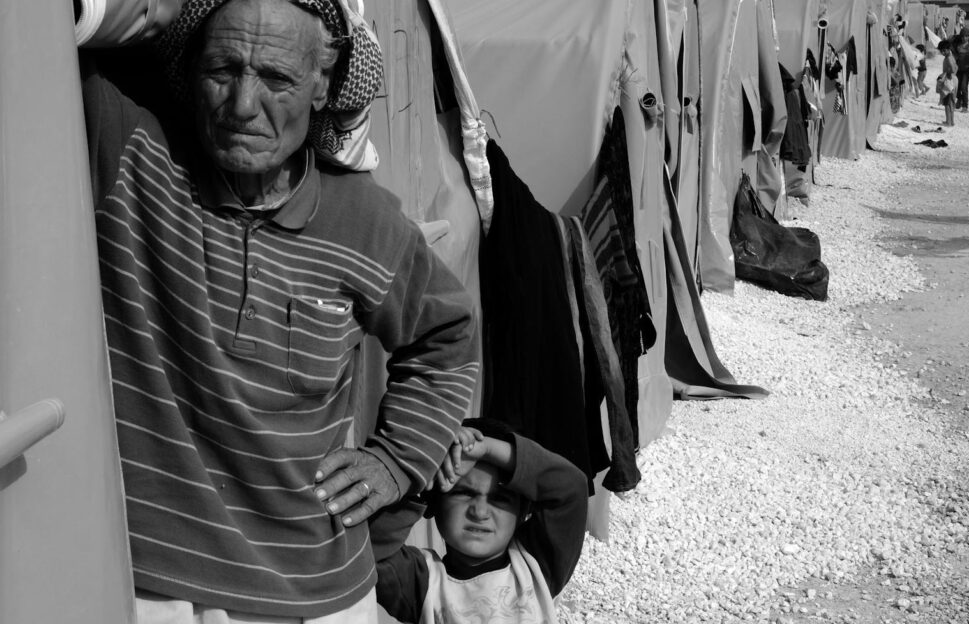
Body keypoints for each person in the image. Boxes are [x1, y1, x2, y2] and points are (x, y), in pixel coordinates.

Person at [79, 0, 480, 621]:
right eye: (222, 68)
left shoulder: (365, 221)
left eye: (275, 78)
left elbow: (448, 334)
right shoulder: (133, 148)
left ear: (322, 85)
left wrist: (396, 460)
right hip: (147, 584)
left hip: (316, 591)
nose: (242, 105)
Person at [371, 419, 589, 623]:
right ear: (433, 503)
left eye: (500, 499)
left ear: (523, 512)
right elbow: (370, 549)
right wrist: (423, 472)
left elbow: (571, 487)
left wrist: (485, 448)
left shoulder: (537, 565)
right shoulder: (420, 582)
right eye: (464, 493)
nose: (480, 512)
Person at [950, 26, 969, 111]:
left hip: (967, 70)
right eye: (963, 36)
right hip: (958, 70)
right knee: (956, 88)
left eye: (966, 36)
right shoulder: (957, 46)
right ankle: (959, 99)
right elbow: (954, 55)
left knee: (964, 88)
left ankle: (965, 106)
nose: (965, 38)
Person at [939, 40, 958, 126]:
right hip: (954, 80)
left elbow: (953, 69)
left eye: (944, 50)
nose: (943, 52)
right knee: (951, 102)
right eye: (941, 51)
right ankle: (952, 121)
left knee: (947, 102)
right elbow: (956, 67)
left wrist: (948, 74)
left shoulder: (949, 58)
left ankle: (948, 122)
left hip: (949, 80)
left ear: (948, 49)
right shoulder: (951, 56)